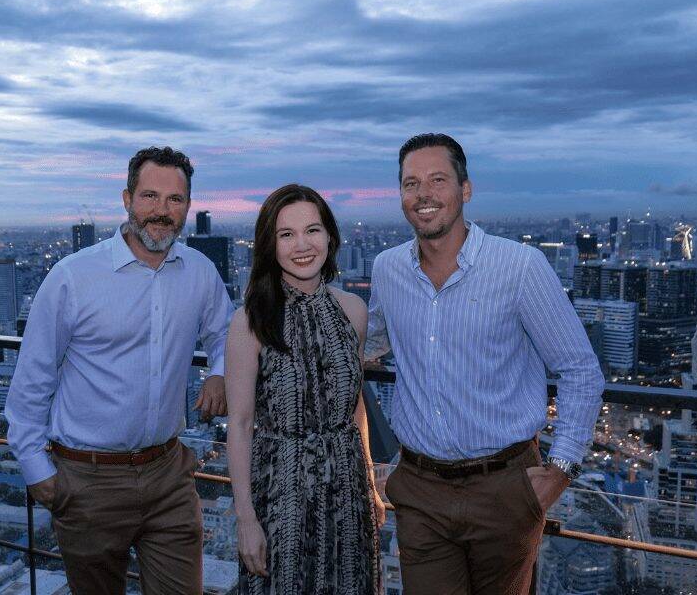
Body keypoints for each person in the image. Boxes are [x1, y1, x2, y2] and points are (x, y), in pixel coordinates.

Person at [366, 134, 605, 594]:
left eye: (438, 180)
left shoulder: (519, 267)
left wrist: (560, 471)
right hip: (420, 489)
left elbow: (579, 369)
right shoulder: (388, 269)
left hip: (505, 488)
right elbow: (371, 340)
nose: (423, 194)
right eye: (411, 183)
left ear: (466, 189)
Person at [5, 146, 234, 595]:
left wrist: (220, 372)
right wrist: (39, 473)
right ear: (126, 199)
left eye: (175, 200)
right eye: (150, 197)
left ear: (188, 207)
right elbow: (33, 379)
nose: (162, 212)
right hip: (88, 479)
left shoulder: (200, 273)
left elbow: (227, 333)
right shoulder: (73, 277)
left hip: (169, 472)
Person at [226, 184, 384, 594]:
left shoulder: (354, 310)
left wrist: (369, 484)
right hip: (281, 491)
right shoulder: (250, 320)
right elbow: (240, 424)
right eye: (286, 234)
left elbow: (354, 408)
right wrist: (245, 517)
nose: (302, 245)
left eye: (312, 230)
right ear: (270, 245)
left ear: (330, 237)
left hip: (347, 491)